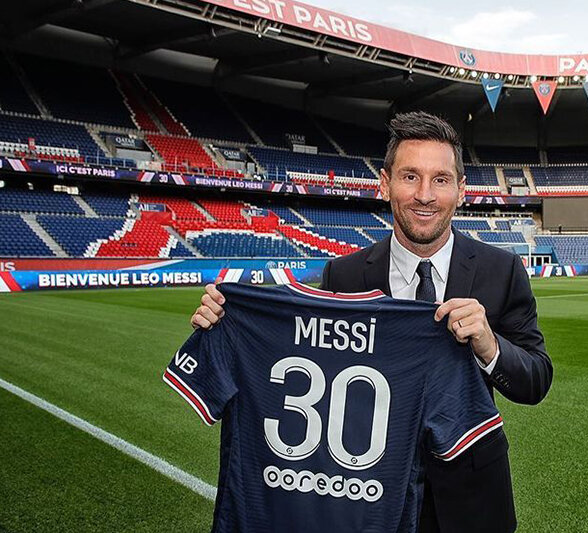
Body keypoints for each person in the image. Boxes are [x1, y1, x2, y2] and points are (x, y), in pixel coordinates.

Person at [191, 111, 553, 533]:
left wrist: (489, 347)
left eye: (440, 179)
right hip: (366, 495)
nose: (424, 195)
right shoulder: (343, 276)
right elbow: (295, 361)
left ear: (461, 189)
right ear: (385, 183)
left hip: (470, 501)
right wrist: (225, 322)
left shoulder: (501, 270)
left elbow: (536, 380)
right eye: (410, 177)